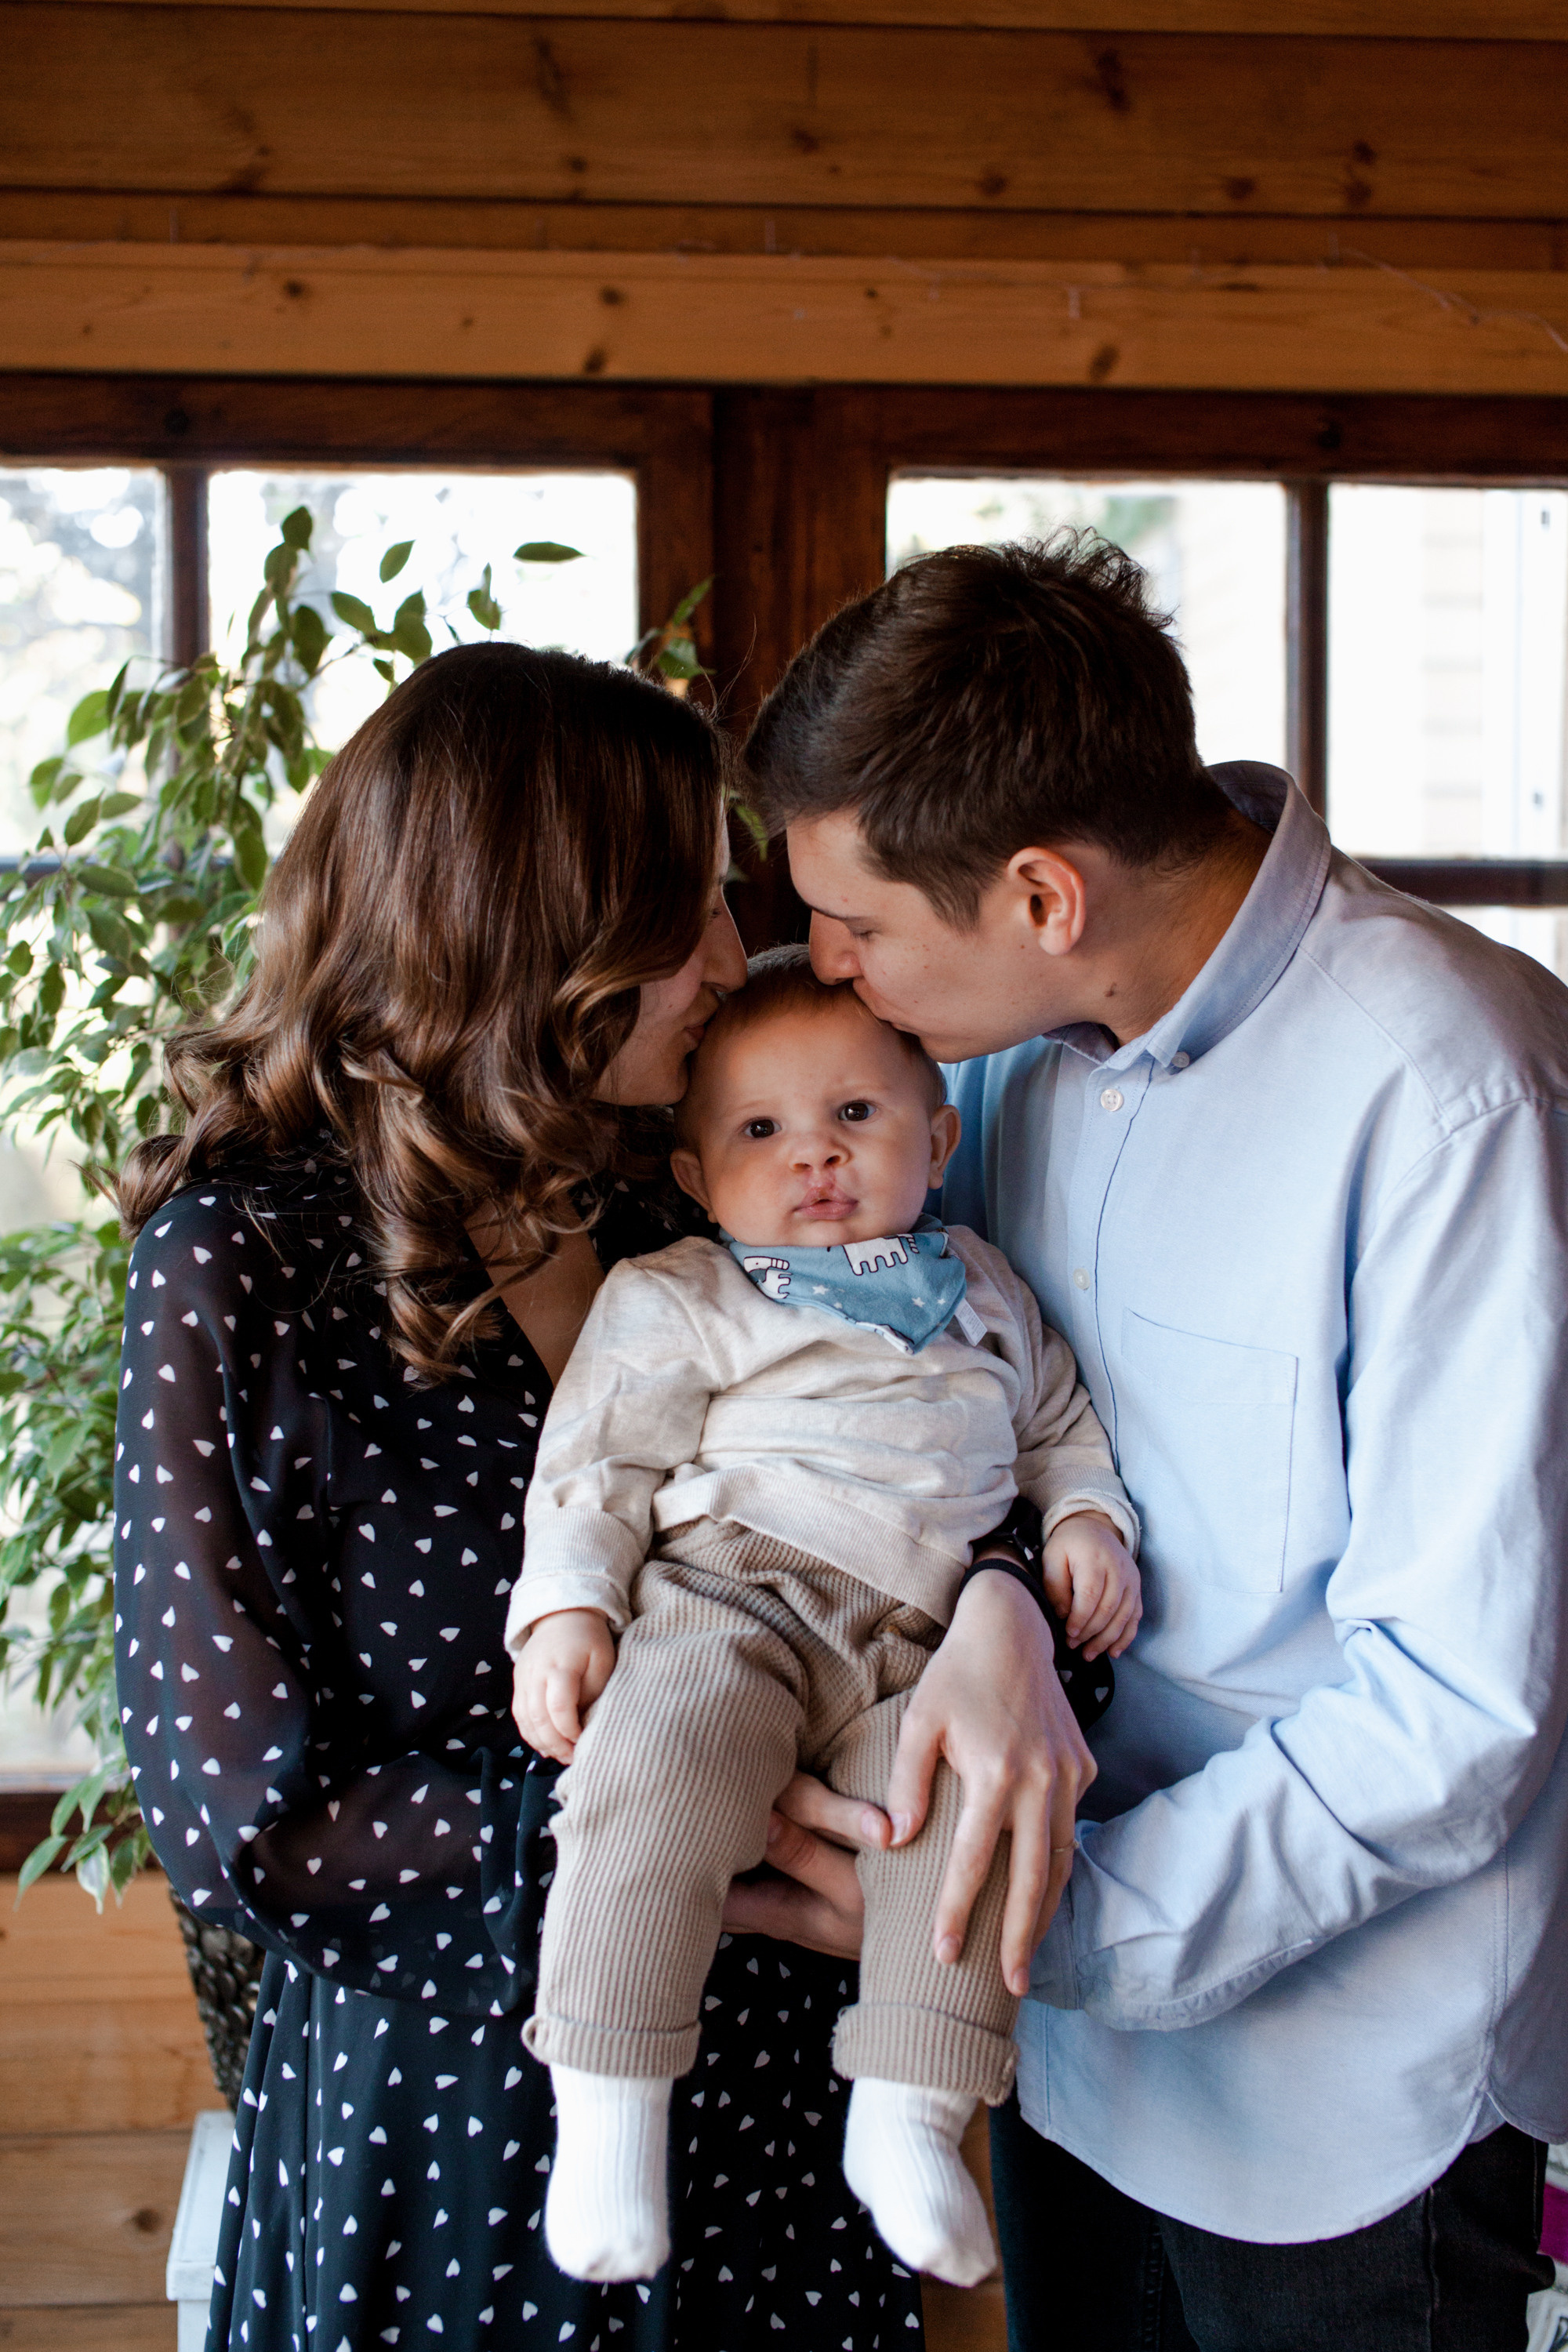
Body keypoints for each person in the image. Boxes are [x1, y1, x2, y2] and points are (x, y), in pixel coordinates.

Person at [112, 639, 1081, 2352]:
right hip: (456, 2128)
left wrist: (1004, 1590)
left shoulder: (691, 1194)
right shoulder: (246, 1258)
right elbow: (241, 1812)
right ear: (525, 923)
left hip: (786, 2110)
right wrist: (684, 1829)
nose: (733, 948)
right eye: (677, 904)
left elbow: (917, 1440)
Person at [739, 537, 1568, 2351]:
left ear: (1042, 892)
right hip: (1066, 2071)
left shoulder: (1454, 1087)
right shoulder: (996, 1062)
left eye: (860, 927)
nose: (830, 973)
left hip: (1359, 2111)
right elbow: (975, 1428)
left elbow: (1456, 1707)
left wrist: (1046, 1929)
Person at [507, 946, 1140, 2288]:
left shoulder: (982, 1288)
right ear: (693, 1176)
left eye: (855, 1116)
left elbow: (1060, 1432)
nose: (815, 1158)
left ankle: (908, 2111)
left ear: (939, 1134)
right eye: (760, 1130)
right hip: (735, 1596)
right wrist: (565, 1609)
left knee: (965, 1824)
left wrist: (1087, 1521)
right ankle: (608, 2103)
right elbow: (595, 1465)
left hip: (915, 1646)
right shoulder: (688, 1292)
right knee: (655, 1769)